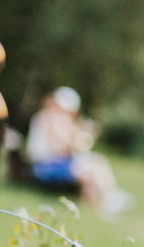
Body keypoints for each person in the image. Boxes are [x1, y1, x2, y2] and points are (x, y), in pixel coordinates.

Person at [26, 87, 132, 217]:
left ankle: (108, 198)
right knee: (88, 170)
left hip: (54, 162)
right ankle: (106, 201)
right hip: (44, 166)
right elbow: (59, 149)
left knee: (97, 161)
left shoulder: (55, 118)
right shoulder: (47, 118)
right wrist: (78, 139)